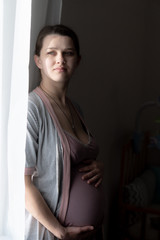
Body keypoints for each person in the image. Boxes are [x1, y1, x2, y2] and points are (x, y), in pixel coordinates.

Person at [25, 24, 104, 240]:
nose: (60, 59)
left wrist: (98, 166)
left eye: (68, 53)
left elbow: (76, 161)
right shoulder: (32, 109)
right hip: (57, 234)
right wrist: (60, 232)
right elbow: (22, 183)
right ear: (38, 60)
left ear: (77, 61)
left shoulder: (75, 108)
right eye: (51, 52)